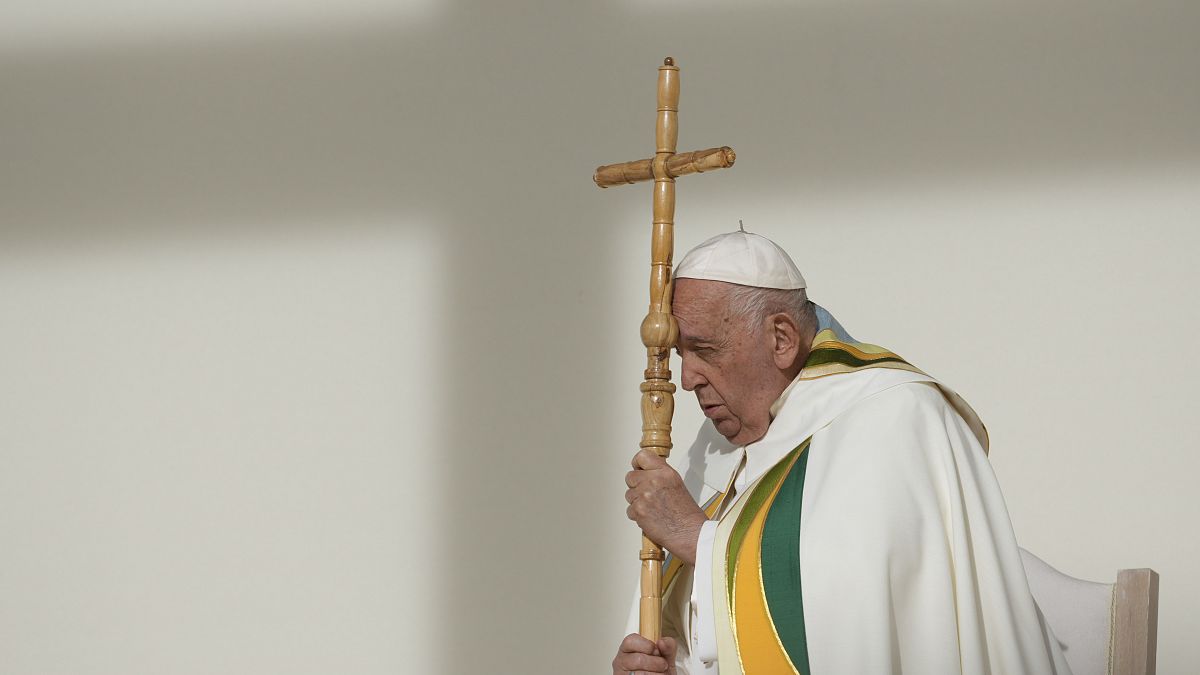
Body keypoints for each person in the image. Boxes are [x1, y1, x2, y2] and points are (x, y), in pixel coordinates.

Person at [611, 230, 1072, 675]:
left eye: (705, 350)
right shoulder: (714, 445)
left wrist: (698, 540)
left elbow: (855, 620)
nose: (687, 378)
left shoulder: (894, 415)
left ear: (781, 339)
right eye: (680, 354)